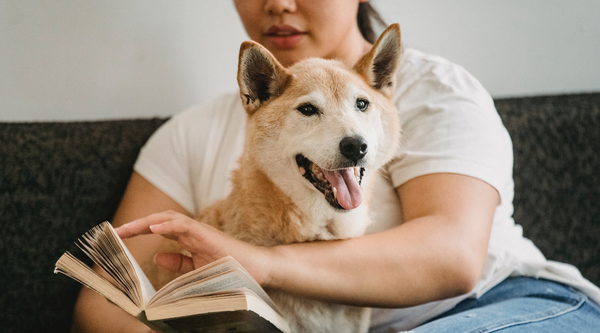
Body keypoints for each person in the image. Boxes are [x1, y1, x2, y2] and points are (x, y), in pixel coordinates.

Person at [71, 1, 600, 332]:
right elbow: (106, 296)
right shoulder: (187, 134)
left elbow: (453, 256)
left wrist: (261, 263)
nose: (278, 4)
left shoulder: (433, 90)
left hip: (506, 304)